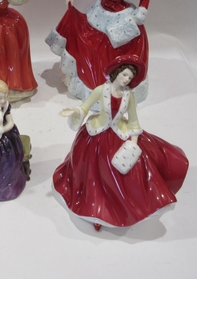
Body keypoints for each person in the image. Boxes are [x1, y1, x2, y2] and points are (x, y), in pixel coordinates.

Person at [53, 55, 188, 230]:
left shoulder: (129, 96)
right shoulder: (100, 90)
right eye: (124, 74)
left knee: (133, 170)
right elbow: (85, 107)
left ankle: (120, 207)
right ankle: (94, 207)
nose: (126, 79)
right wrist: (76, 111)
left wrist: (133, 143)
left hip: (119, 133)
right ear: (116, 73)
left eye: (129, 78)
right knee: (92, 171)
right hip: (96, 134)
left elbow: (133, 121)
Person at [46, 0, 150, 105]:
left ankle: (108, 82)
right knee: (88, 40)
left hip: (120, 16)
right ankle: (86, 76)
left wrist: (139, 15)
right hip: (100, 13)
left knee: (110, 47)